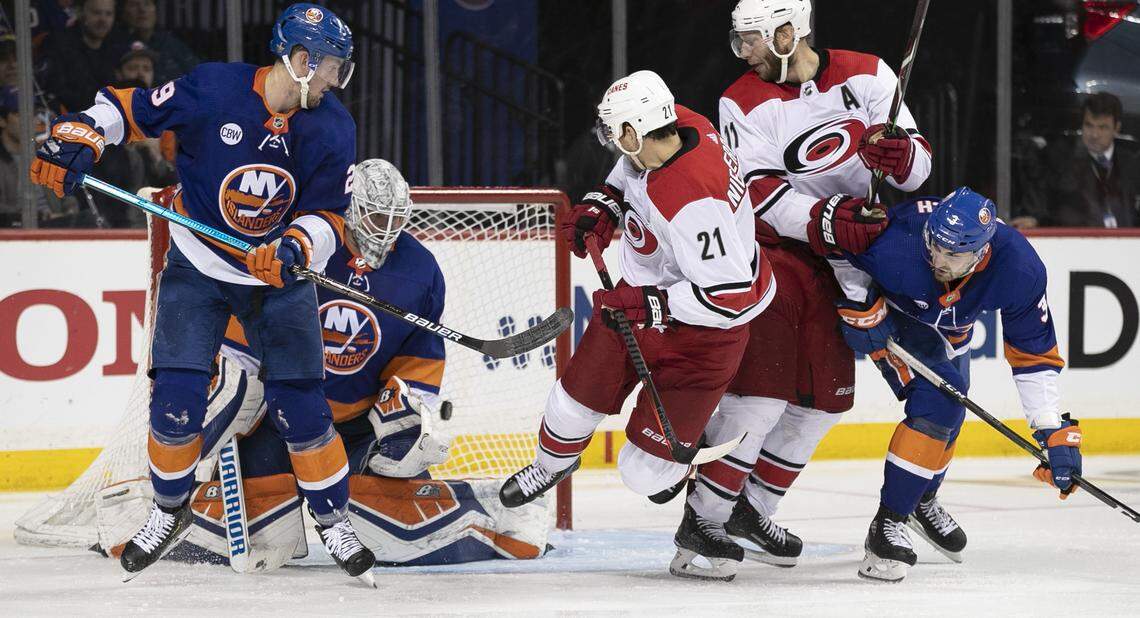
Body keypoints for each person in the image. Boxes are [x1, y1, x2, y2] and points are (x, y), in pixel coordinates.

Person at [29, 3, 371, 581]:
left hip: (275, 279)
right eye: (334, 66)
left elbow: (329, 218)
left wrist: (293, 247)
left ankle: (333, 518)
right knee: (176, 403)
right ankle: (167, 510)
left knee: (303, 410)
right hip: (198, 263)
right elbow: (126, 110)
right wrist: (81, 135)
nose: (339, 79)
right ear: (302, 60)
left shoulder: (333, 126)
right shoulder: (214, 89)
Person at [100, 161, 548, 568]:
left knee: (401, 511)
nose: (386, 231)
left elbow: (420, 354)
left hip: (358, 428)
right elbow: (240, 330)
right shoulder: (302, 244)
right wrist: (235, 389)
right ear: (350, 211)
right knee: (269, 530)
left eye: (396, 221)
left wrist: (404, 402)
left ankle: (469, 517)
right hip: (284, 421)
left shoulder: (420, 270)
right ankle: (155, 510)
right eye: (376, 219)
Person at [682, 0, 932, 575]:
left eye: (752, 39)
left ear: (789, 32)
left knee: (824, 403)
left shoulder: (870, 73)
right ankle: (701, 524)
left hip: (849, 258)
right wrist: (828, 218)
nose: (742, 51)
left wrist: (899, 157)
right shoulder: (740, 100)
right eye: (739, 39)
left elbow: (917, 171)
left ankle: (755, 509)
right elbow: (764, 194)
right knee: (761, 397)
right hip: (778, 258)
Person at [498, 69, 775, 582]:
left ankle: (684, 457)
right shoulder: (681, 125)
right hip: (643, 302)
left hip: (705, 332)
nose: (611, 143)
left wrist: (651, 303)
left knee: (644, 474)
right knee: (572, 399)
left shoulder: (694, 200)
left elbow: (731, 298)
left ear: (635, 129)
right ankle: (552, 465)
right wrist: (603, 203)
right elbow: (629, 171)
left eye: (614, 132)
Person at [837, 187, 1080, 582]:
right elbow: (837, 249)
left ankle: (920, 498)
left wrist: (1050, 426)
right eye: (935, 247)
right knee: (940, 402)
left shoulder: (1019, 268)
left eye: (953, 256)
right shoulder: (902, 237)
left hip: (949, 332)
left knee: (954, 406)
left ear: (982, 253)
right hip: (894, 317)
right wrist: (858, 302)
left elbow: (1033, 355)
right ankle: (887, 525)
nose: (938, 260)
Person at [1012, 92, 1140, 229]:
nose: (1094, 135)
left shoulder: (1132, 165)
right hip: (1078, 244)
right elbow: (1042, 203)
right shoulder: (1061, 162)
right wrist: (1035, 218)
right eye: (1089, 125)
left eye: (1103, 127)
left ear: (1117, 128)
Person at [0, 87, 76, 226]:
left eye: (32, 114)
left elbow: (67, 194)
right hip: (17, 232)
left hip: (56, 225)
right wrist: (38, 216)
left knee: (90, 218)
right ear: (2, 120)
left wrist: (70, 210)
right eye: (18, 113)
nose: (28, 120)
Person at [38, 0, 129, 113]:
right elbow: (57, 91)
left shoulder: (116, 48)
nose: (103, 19)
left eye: (108, 14)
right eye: (96, 13)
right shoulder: (59, 44)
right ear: (82, 13)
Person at [120, 0, 200, 85]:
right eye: (134, 4)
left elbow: (198, 75)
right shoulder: (114, 46)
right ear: (123, 12)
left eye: (147, 4)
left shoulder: (171, 43)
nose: (142, 9)